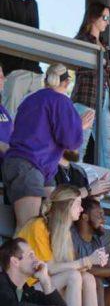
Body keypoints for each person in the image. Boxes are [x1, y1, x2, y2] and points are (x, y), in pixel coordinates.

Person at [4, 64, 91, 230]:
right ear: (66, 82)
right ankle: (17, 256)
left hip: (26, 166)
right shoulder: (61, 101)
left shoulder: (29, 99)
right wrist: (79, 127)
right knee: (28, 228)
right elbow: (71, 142)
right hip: (30, 166)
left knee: (53, 220)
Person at [15, 185, 107, 306]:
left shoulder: (65, 232)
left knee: (88, 278)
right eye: (78, 204)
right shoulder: (39, 226)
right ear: (66, 206)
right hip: (26, 290)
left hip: (47, 286)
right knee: (74, 276)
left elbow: (68, 265)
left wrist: (92, 261)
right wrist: (87, 260)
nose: (81, 209)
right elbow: (49, 268)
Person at [68, 1, 110, 168]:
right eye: (105, 17)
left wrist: (105, 63)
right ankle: (72, 180)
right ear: (93, 17)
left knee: (108, 149)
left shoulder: (104, 45)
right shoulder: (81, 40)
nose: (108, 21)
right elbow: (79, 66)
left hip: (106, 101)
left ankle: (106, 189)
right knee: (79, 145)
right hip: (86, 98)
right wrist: (107, 64)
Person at [0, 0, 44, 111]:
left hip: (35, 74)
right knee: (9, 122)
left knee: (35, 125)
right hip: (13, 73)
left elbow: (34, 38)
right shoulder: (2, 0)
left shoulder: (33, 4)